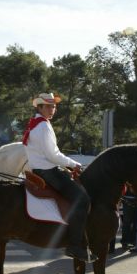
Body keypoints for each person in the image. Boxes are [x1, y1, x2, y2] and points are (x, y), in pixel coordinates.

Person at [23, 93, 95, 262]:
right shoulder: (44, 126)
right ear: (39, 107)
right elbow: (53, 155)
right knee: (82, 200)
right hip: (48, 171)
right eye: (48, 106)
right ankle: (75, 246)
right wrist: (75, 164)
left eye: (54, 106)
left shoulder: (34, 124)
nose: (52, 109)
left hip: (39, 170)